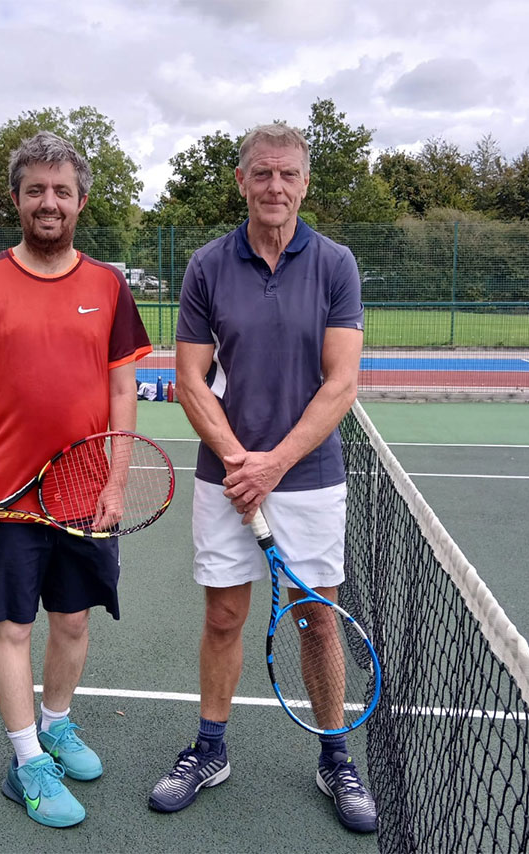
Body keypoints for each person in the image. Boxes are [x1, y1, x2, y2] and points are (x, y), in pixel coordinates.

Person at [147, 123, 376, 832]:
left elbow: (341, 384)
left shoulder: (336, 264)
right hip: (226, 481)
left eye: (288, 174)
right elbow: (189, 379)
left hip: (309, 479)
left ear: (305, 183)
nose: (275, 186)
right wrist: (240, 462)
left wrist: (273, 464)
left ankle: (335, 756)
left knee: (316, 622)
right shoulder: (207, 267)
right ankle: (210, 749)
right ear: (241, 181)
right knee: (223, 617)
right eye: (262, 173)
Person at [0, 131, 151, 829]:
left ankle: (56, 724)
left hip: (85, 493)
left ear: (80, 201)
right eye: (35, 191)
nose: (48, 203)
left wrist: (117, 483)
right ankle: (25, 761)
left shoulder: (108, 286)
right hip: (3, 499)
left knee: (75, 621)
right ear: (17, 200)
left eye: (61, 191)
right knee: (13, 628)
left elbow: (122, 395)